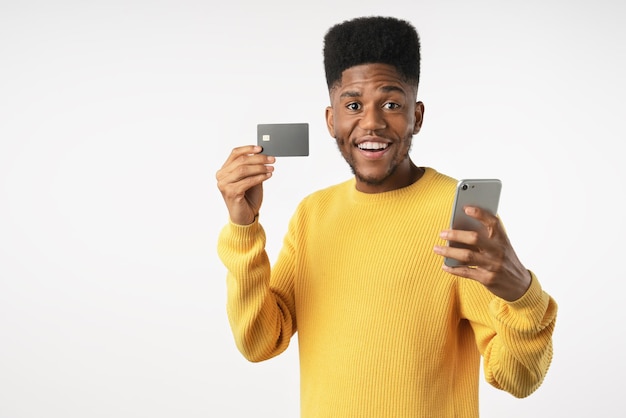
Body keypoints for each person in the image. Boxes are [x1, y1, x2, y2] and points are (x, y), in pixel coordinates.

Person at [216, 16, 557, 418]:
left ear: (417, 115)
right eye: (354, 105)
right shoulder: (313, 214)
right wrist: (243, 228)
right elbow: (259, 342)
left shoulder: (457, 213)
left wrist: (522, 295)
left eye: (392, 104)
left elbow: (518, 379)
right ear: (332, 120)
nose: (372, 122)